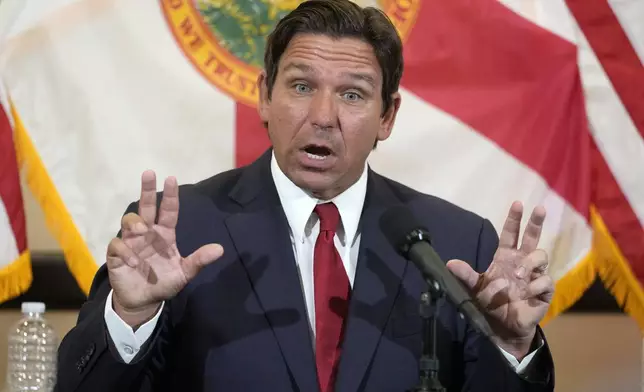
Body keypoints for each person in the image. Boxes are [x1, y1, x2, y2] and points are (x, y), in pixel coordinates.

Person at [55, 1, 555, 391]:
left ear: (388, 116)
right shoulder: (183, 231)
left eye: (353, 94)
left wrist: (512, 346)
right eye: (300, 86)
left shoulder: (455, 243)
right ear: (264, 96)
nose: (322, 115)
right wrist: (131, 318)